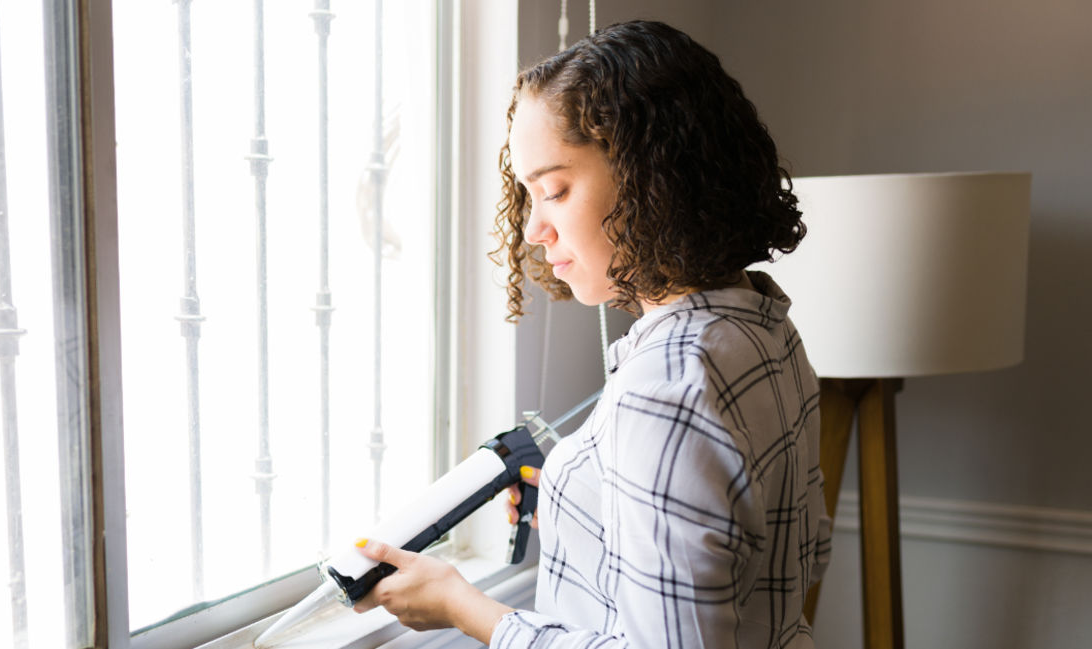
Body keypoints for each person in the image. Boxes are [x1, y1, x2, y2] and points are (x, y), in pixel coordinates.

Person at [352, 20, 831, 648]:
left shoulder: (666, 386)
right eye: (529, 196)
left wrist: (465, 608)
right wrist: (586, 503)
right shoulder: (765, 327)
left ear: (653, 176)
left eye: (554, 190)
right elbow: (791, 548)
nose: (532, 230)